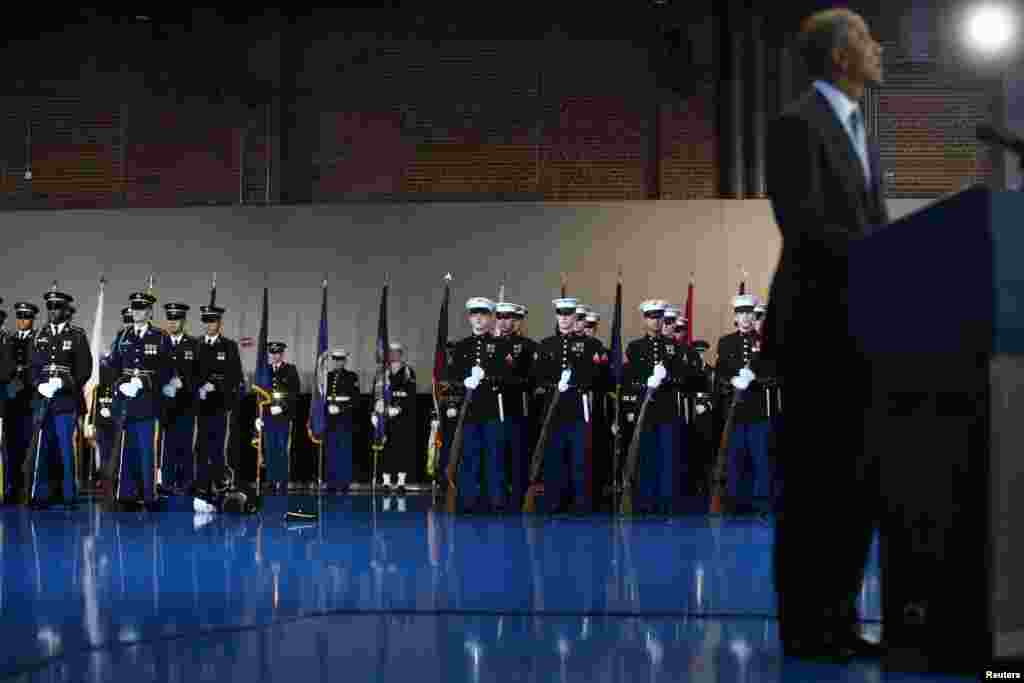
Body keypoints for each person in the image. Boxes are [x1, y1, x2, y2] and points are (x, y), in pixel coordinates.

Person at [760, 8, 888, 659]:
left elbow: (868, 221)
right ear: (841, 56)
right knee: (814, 486)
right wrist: (882, 254)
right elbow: (805, 225)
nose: (877, 49)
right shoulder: (795, 124)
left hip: (864, 331)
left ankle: (838, 620)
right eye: (866, 40)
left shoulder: (864, 128)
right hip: (815, 328)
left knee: (856, 484)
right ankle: (805, 627)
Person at [532, 297, 604, 513]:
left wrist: (576, 381)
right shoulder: (546, 345)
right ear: (557, 317)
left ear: (575, 317)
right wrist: (553, 383)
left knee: (580, 457)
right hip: (553, 408)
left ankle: (581, 504)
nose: (564, 318)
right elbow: (536, 375)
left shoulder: (591, 345)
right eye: (560, 314)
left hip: (577, 406)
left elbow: (599, 376)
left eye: (568, 314)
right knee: (554, 456)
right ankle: (554, 502)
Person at [26, 287, 92, 508]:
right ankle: (41, 494)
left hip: (65, 401)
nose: (53, 311)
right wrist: (39, 384)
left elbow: (85, 369)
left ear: (65, 310)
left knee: (66, 449)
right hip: (44, 400)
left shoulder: (77, 335)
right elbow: (32, 367)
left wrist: (63, 382)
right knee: (43, 448)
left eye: (57, 307)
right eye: (50, 307)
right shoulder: (39, 335)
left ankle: (68, 495)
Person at [106, 290, 173, 508]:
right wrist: (120, 385)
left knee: (146, 451)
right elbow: (113, 367)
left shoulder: (160, 337)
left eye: (141, 308)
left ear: (150, 311)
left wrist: (143, 383)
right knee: (127, 450)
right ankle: (126, 494)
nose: (137, 312)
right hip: (126, 403)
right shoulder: (123, 336)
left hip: (148, 403)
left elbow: (167, 370)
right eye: (134, 308)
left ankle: (149, 495)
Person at [450, 297, 511, 512]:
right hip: (469, 411)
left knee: (494, 457)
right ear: (469, 318)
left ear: (489, 318)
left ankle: (495, 502)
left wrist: (487, 377)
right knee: (469, 457)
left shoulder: (500, 345)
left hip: (492, 409)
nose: (478, 318)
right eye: (474, 314)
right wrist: (464, 381)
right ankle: (468, 502)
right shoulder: (461, 346)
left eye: (483, 314)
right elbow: (452, 377)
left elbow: (508, 376)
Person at [716, 294, 773, 515]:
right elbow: (720, 372)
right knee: (735, 459)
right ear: (736, 317)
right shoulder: (726, 342)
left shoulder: (765, 342)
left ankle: (761, 506)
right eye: (741, 313)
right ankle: (735, 506)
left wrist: (755, 379)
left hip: (758, 409)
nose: (746, 317)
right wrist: (732, 380)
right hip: (735, 411)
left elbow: (774, 374)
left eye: (749, 313)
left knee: (760, 460)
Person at [195, 302, 243, 485]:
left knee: (216, 446)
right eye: (206, 321)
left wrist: (215, 385)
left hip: (219, 405)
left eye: (212, 321)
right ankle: (200, 482)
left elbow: (235, 376)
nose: (209, 325)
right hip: (199, 404)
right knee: (199, 446)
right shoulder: (196, 344)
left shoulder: (229, 346)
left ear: (219, 323)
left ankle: (217, 482)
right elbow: (191, 372)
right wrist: (198, 388)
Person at [495, 302, 535, 510]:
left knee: (518, 456)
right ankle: (498, 497)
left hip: (518, 408)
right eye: (500, 317)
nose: (504, 321)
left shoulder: (527, 345)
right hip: (493, 410)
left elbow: (532, 377)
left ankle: (518, 497)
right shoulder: (490, 343)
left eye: (508, 317)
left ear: (516, 320)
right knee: (496, 456)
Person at [255, 342, 300, 493]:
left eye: (278, 353)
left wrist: (282, 407)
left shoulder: (290, 370)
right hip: (267, 417)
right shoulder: (265, 370)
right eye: (272, 353)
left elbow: (294, 394)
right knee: (269, 449)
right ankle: (271, 481)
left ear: (282, 354)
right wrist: (258, 415)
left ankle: (282, 482)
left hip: (282, 417)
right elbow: (260, 395)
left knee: (281, 449)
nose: (275, 356)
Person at [5, 302, 39, 503]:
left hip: (29, 400)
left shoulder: (37, 339)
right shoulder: (9, 340)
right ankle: (11, 487)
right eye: (19, 317)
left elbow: (38, 365)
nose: (22, 321)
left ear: (32, 320)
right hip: (11, 402)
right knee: (12, 447)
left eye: (26, 318)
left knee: (28, 447)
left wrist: (24, 378)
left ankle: (26, 488)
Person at [323, 348, 358, 493]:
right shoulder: (327, 376)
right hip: (330, 418)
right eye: (336, 360)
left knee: (344, 451)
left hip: (344, 418)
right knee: (331, 451)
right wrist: (327, 408)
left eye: (341, 360)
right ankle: (331, 482)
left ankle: (344, 483)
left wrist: (341, 409)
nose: (338, 362)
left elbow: (355, 400)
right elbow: (322, 397)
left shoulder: (351, 376)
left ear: (345, 361)